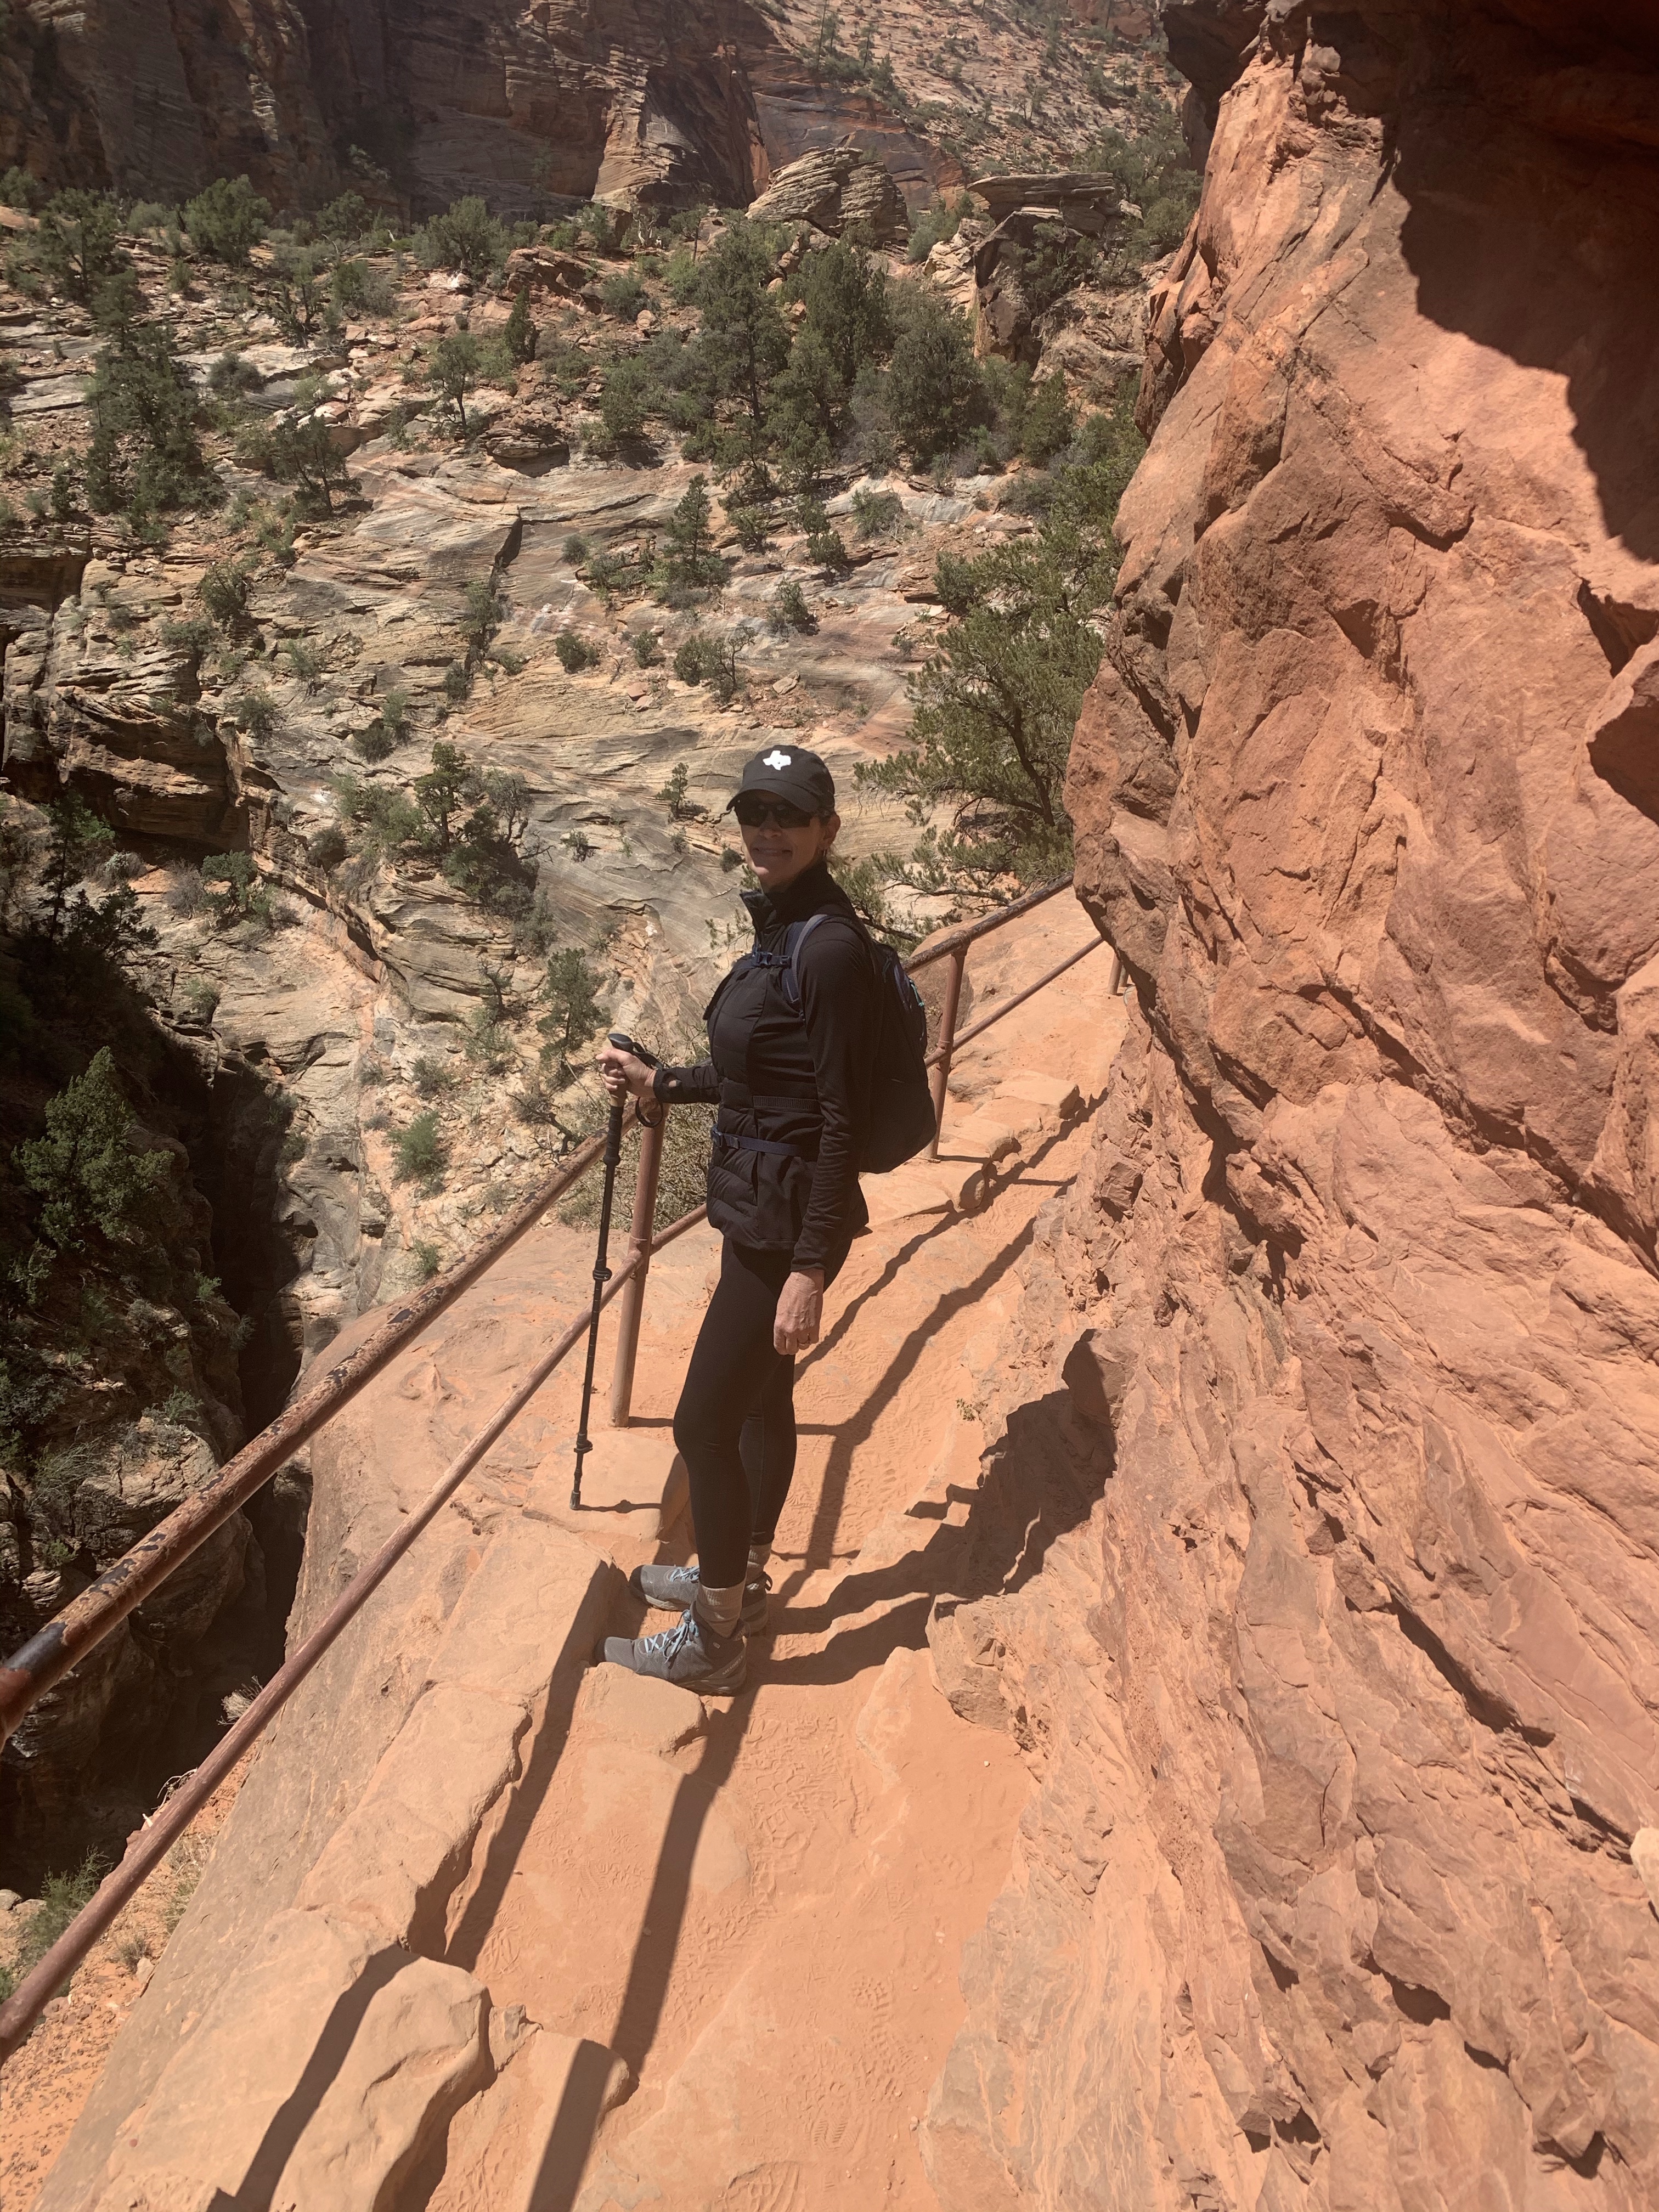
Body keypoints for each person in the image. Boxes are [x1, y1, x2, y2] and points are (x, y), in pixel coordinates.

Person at [594, 744, 875, 1693]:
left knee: (702, 1427)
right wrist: (663, 1082)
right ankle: (740, 1580)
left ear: (828, 829)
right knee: (760, 1402)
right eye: (756, 813)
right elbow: (761, 1075)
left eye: (789, 815)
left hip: (784, 1227)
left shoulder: (825, 948)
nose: (768, 830)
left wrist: (810, 1268)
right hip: (760, 1207)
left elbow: (840, 1117)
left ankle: (713, 1640)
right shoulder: (785, 927)